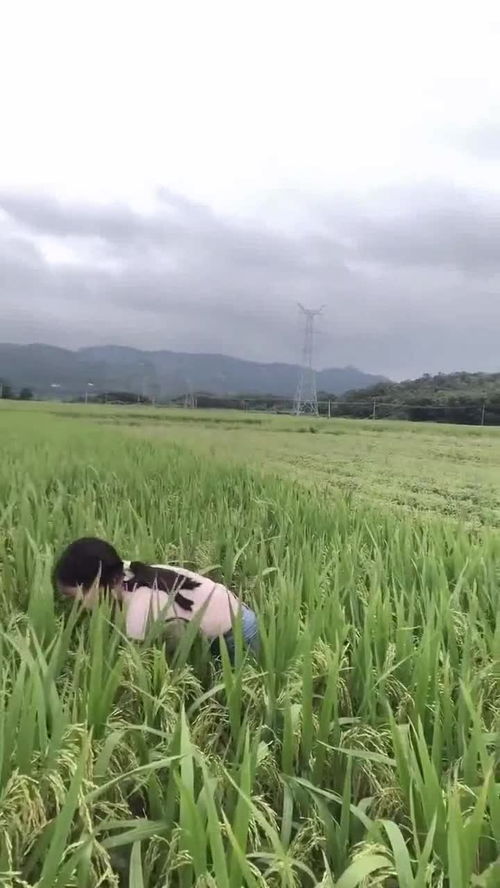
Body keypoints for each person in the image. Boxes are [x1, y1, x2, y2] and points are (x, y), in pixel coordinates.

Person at [53, 537, 259, 660]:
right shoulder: (119, 570)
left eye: (76, 598)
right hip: (220, 617)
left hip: (238, 633)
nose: (76, 607)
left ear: (98, 583)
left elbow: (140, 665)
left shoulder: (139, 610)